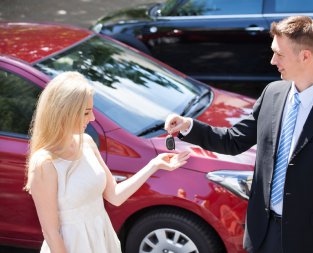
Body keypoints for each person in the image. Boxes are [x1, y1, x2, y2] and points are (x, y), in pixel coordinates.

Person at [165, 16, 313, 253]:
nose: (272, 60)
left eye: (279, 54)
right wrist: (188, 126)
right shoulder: (272, 93)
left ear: (305, 56)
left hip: (309, 241)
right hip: (262, 234)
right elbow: (234, 140)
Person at [24, 71, 190, 253]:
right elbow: (51, 232)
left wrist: (154, 165)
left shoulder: (86, 143)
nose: (92, 118)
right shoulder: (44, 163)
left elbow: (115, 196)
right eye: (86, 112)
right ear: (65, 113)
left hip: (102, 240)